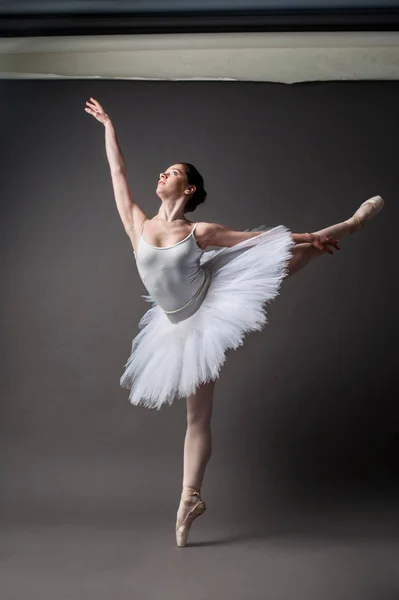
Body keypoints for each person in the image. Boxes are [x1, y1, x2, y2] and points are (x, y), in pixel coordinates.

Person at [85, 97, 384, 547]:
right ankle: (191, 499)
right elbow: (117, 174)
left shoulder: (199, 231)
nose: (164, 173)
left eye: (175, 171)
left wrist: (306, 237)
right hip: (176, 325)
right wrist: (108, 126)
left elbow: (255, 239)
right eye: (164, 170)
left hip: (214, 299)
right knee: (197, 418)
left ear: (187, 190)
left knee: (283, 255)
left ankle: (345, 226)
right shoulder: (136, 223)